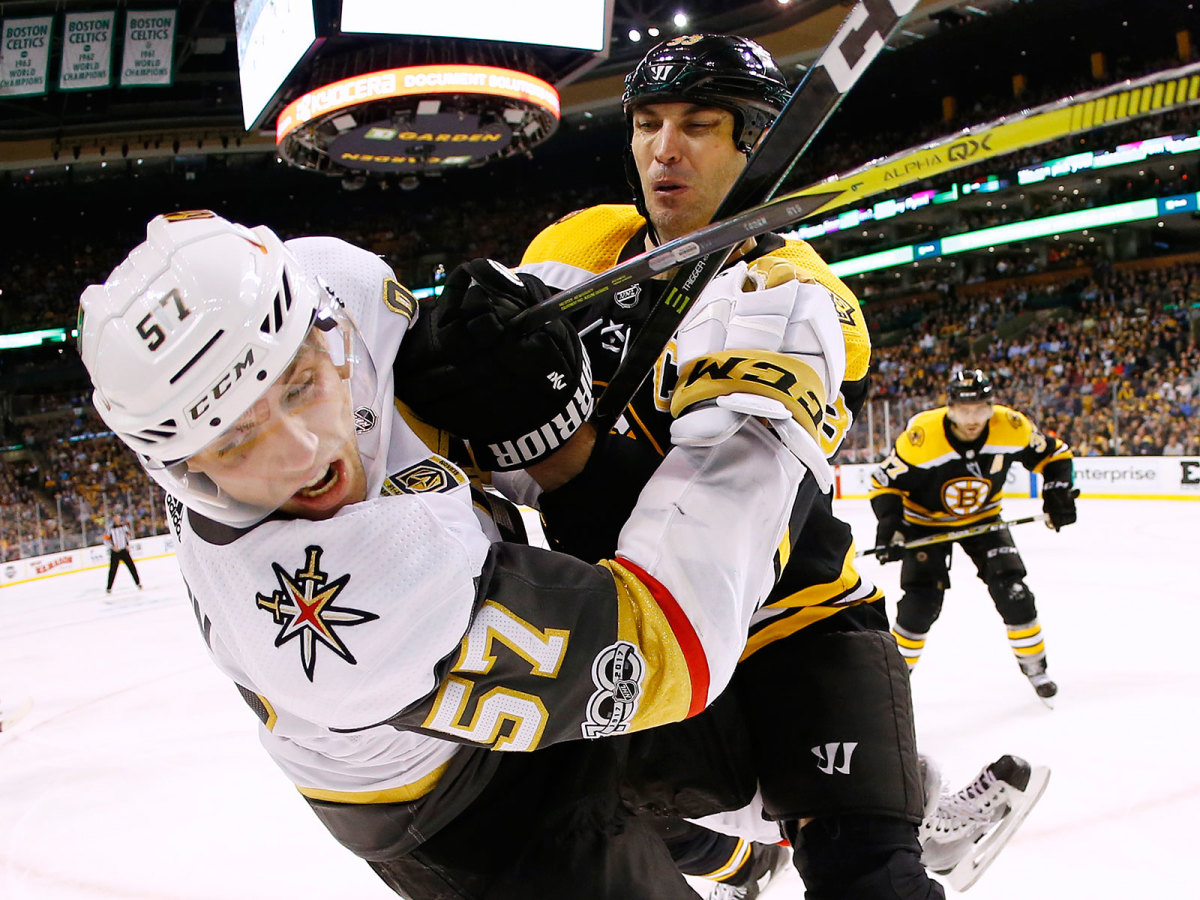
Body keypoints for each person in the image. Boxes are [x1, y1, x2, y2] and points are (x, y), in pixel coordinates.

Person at [397, 33, 1044, 898]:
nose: (665, 150)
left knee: (863, 873)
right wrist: (453, 389)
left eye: (699, 126)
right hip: (628, 605)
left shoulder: (792, 303)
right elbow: (498, 417)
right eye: (648, 124)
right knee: (601, 797)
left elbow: (707, 531)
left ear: (758, 145)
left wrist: (547, 443)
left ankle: (891, 819)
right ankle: (848, 824)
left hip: (790, 627)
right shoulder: (579, 245)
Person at [78, 209, 836, 899]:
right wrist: (764, 420)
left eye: (300, 386)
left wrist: (527, 376)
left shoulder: (338, 282)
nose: (303, 454)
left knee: (706, 768)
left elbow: (452, 411)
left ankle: (738, 862)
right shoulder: (348, 612)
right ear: (183, 470)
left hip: (451, 616)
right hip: (452, 807)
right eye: (238, 439)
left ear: (326, 331)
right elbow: (673, 643)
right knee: (623, 774)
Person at [869, 368, 1077, 705]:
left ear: (991, 407)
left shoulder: (1011, 426)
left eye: (980, 409)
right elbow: (884, 483)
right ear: (949, 408)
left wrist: (1058, 492)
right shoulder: (922, 436)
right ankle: (891, 682)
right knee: (920, 606)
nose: (972, 420)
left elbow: (1055, 455)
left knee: (1015, 593)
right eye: (964, 410)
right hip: (925, 523)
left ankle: (1036, 668)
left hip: (984, 519)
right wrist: (890, 525)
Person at [103, 513, 142, 592]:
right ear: (113, 519)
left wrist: (127, 544)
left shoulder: (124, 527)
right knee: (113, 570)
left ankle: (138, 583)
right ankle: (109, 587)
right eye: (116, 518)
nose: (117, 519)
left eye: (118, 517)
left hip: (124, 550)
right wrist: (112, 547)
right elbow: (106, 540)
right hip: (115, 552)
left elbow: (128, 535)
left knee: (132, 567)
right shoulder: (110, 529)